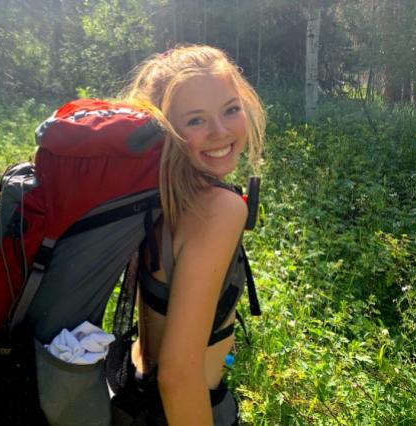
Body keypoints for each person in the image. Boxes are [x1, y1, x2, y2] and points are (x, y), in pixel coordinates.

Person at [111, 45, 266, 425]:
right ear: (165, 128)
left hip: (132, 388)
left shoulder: (155, 195)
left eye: (231, 109)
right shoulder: (218, 209)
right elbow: (178, 375)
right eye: (196, 121)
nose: (220, 131)